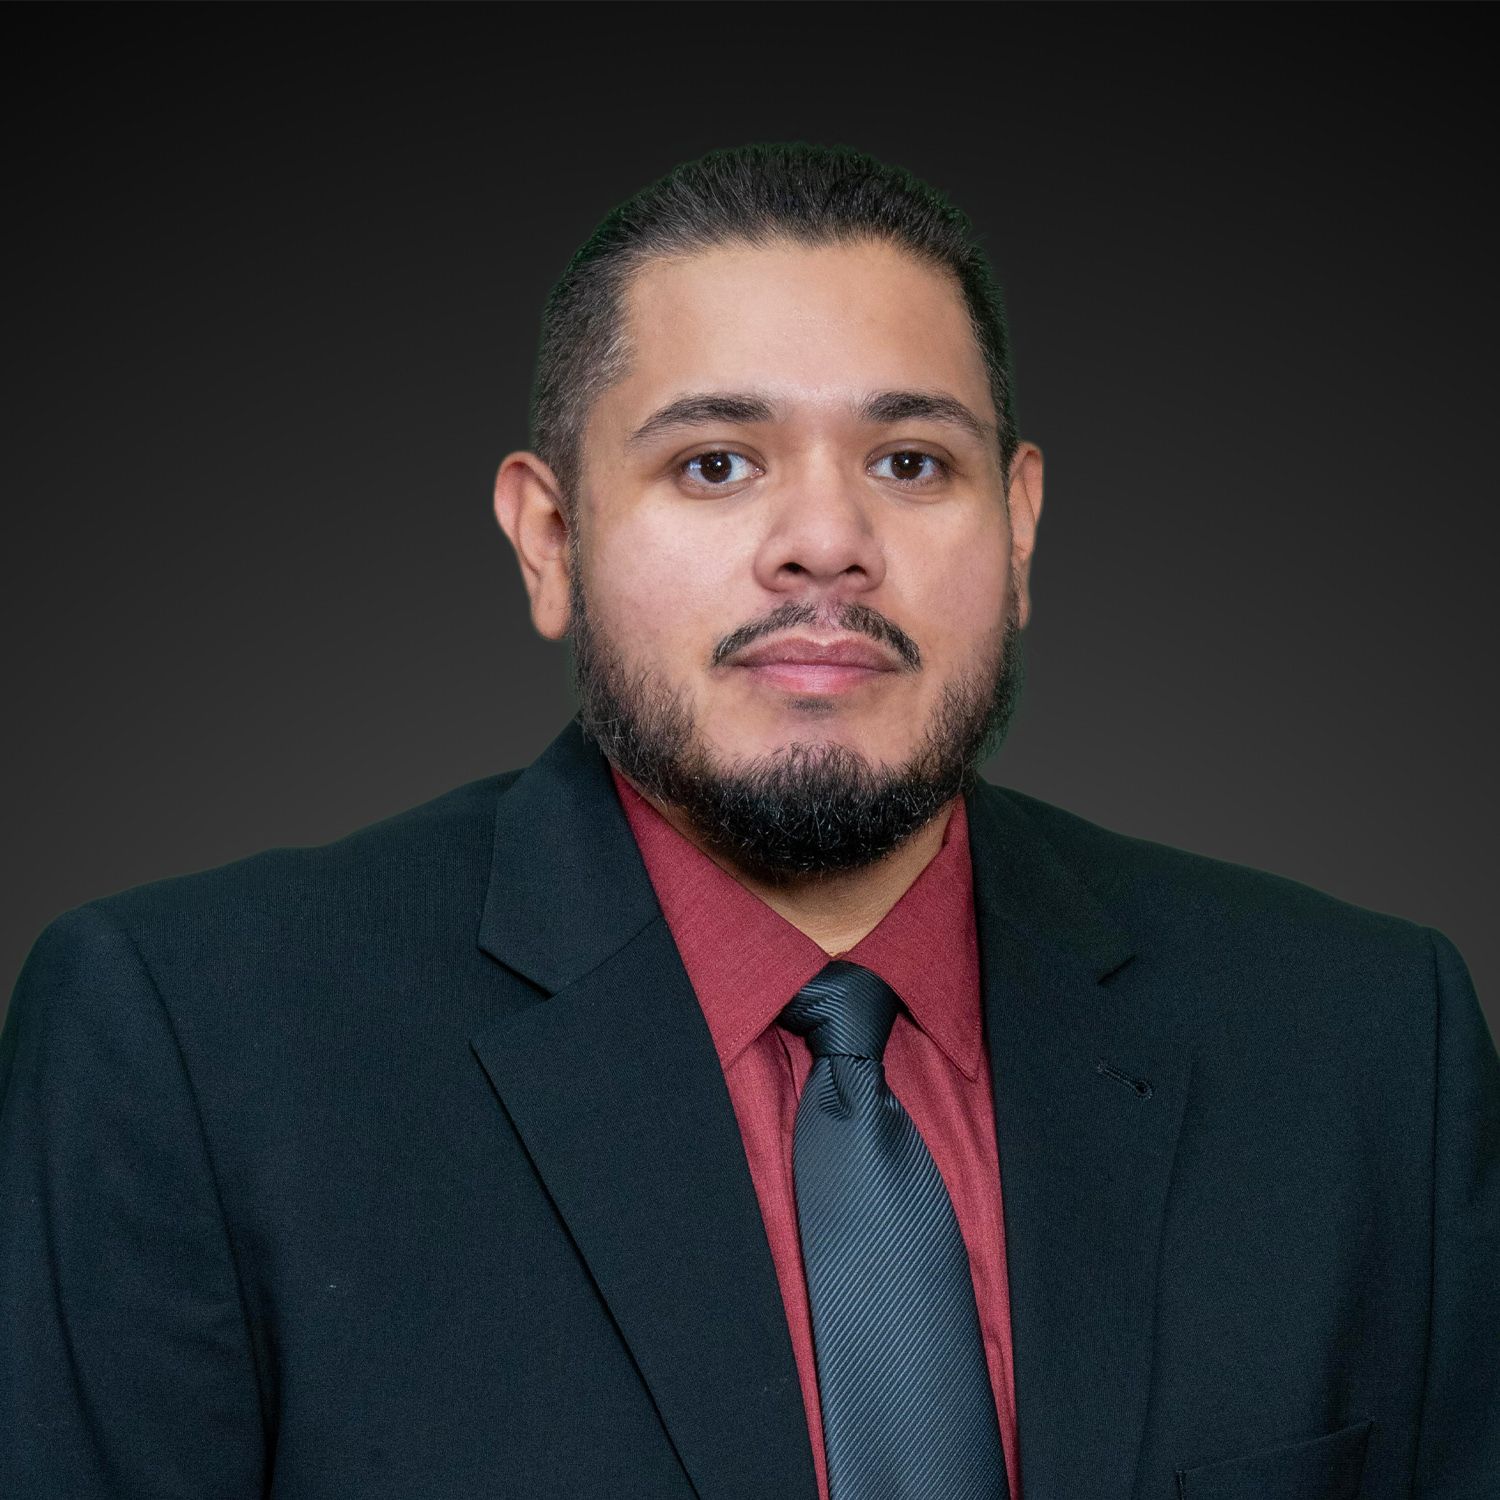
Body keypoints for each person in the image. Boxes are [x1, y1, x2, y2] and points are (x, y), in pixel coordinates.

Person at [2, 142, 1495, 1500]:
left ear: (1019, 529)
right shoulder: (194, 1049)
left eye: (911, 463)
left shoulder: (1366, 1046)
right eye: (714, 463)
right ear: (550, 540)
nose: (827, 543)